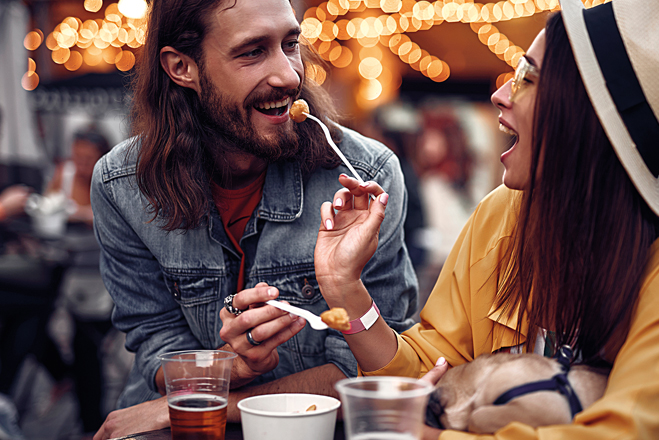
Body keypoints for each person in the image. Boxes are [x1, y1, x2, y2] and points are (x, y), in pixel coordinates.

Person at [312, 0, 659, 439]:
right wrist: (343, 286)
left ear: (586, 118)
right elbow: (433, 370)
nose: (500, 95)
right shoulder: (500, 214)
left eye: (528, 78)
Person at [91, 0, 417, 438]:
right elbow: (154, 342)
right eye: (252, 52)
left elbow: (375, 368)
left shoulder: (367, 178)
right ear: (181, 67)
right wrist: (231, 367)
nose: (289, 76)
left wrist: (201, 406)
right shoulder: (122, 185)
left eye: (290, 44)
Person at [46, 128, 111, 226]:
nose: (81, 166)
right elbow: (45, 208)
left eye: (88, 160)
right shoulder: (64, 175)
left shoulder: (109, 182)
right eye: (77, 158)